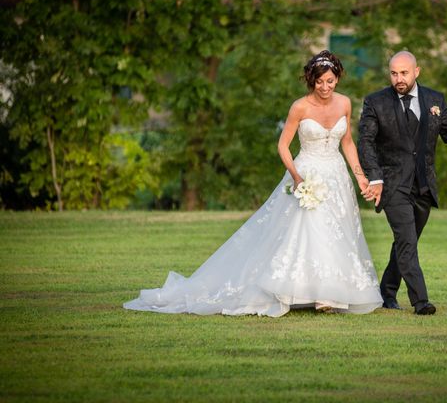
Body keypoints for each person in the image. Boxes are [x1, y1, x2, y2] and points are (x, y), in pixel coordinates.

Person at [124, 50, 383, 317]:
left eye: (330, 81)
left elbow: (348, 142)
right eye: (320, 82)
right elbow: (283, 145)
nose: (325, 87)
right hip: (307, 172)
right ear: (311, 80)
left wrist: (360, 175)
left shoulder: (344, 103)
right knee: (309, 229)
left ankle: (329, 291)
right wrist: (296, 176)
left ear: (337, 78)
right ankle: (313, 294)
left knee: (335, 231)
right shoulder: (300, 107)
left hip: (336, 174)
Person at [357, 51, 447, 315]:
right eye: (394, 73)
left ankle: (386, 292)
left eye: (404, 73)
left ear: (416, 71)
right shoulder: (376, 102)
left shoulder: (434, 100)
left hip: (423, 184)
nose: (399, 78)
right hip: (393, 184)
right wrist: (375, 177)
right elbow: (366, 142)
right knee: (406, 240)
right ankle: (421, 302)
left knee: (406, 243)